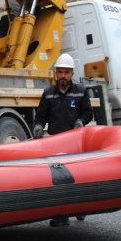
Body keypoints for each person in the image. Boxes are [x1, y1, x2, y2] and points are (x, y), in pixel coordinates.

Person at [33, 53, 94, 226]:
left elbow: (88, 113)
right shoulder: (48, 94)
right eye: (60, 72)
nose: (63, 76)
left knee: (79, 177)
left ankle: (81, 208)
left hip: (75, 143)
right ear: (55, 73)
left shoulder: (81, 92)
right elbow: (41, 116)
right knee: (59, 180)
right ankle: (61, 215)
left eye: (66, 72)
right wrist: (38, 127)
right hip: (55, 144)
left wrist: (80, 121)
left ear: (72, 74)